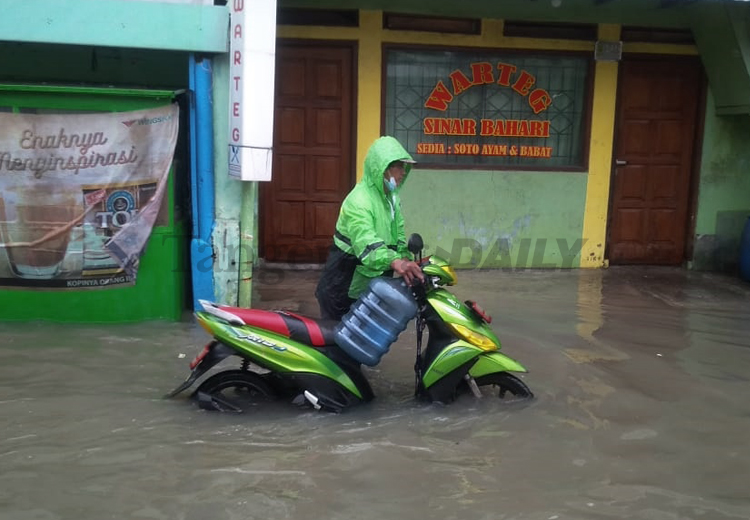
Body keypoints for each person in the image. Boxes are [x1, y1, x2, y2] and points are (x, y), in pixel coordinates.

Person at [315, 136, 425, 321]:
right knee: (340, 343)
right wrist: (396, 262)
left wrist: (404, 257)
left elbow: (398, 233)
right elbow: (367, 246)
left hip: (371, 285)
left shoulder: (391, 198)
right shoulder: (359, 201)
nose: (403, 171)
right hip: (343, 287)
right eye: (397, 165)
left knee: (365, 342)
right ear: (381, 168)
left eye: (404, 166)